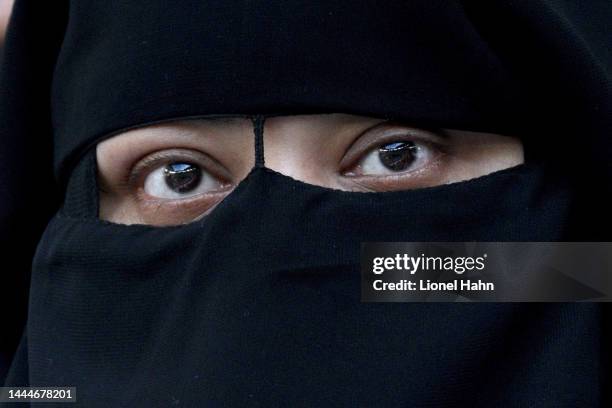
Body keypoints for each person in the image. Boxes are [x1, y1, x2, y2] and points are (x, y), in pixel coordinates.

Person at [0, 1, 610, 406]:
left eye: (395, 154)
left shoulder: (575, 263)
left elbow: (580, 272)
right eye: (178, 176)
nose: (267, 266)